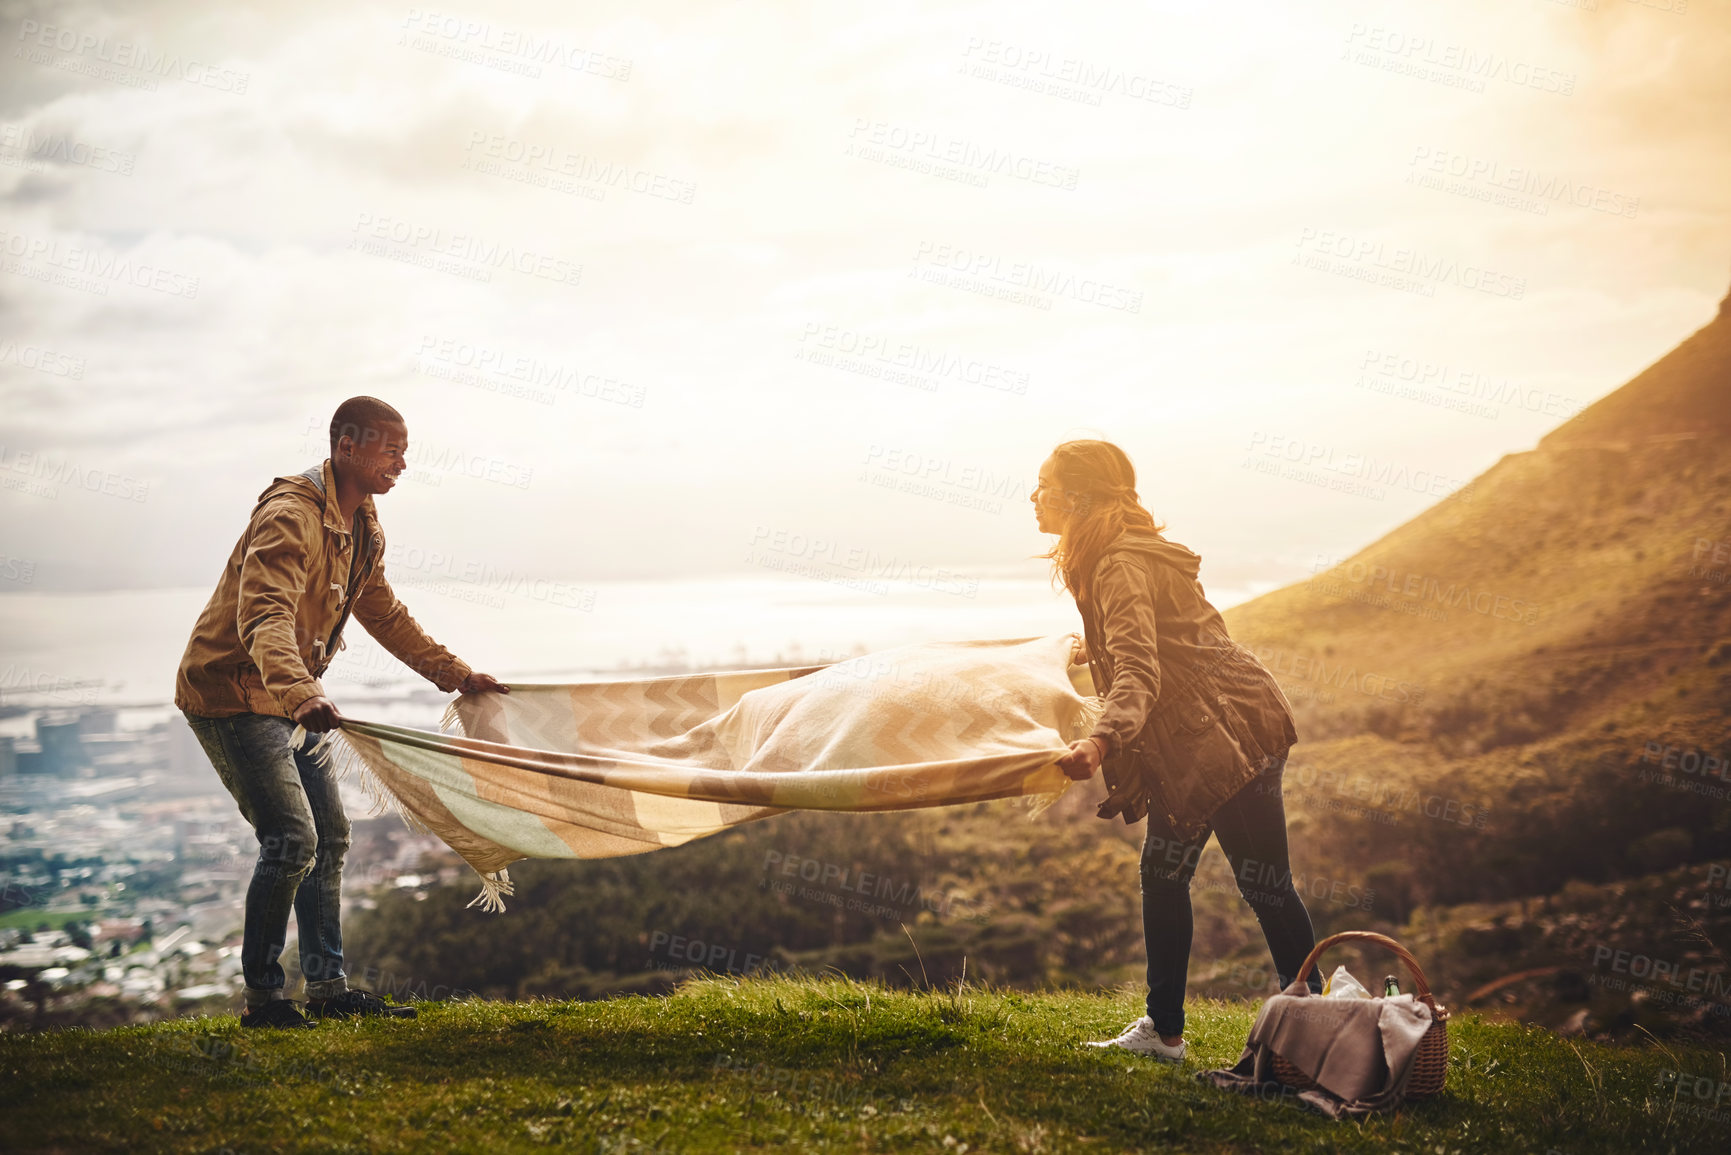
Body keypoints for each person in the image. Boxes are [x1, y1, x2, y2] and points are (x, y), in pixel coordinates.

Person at [175, 397, 508, 1028]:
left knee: (331, 836)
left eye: (405, 452)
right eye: (392, 450)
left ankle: (327, 990)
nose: (403, 464)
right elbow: (264, 616)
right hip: (233, 695)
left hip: (290, 695)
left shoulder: (361, 523)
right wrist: (303, 694)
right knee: (291, 840)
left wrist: (456, 675)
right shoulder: (288, 516)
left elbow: (381, 611)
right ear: (346, 446)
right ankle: (266, 1002)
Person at [1035, 438, 1320, 1062]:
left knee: (1264, 882)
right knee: (1164, 876)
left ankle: (1316, 1032)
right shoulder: (1113, 555)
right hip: (1196, 741)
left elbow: (1140, 668)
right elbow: (1148, 642)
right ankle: (1163, 1032)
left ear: (1079, 494)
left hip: (1228, 737)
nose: (1035, 497)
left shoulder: (1117, 562)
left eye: (1045, 485)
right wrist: (1090, 648)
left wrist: (1102, 740)